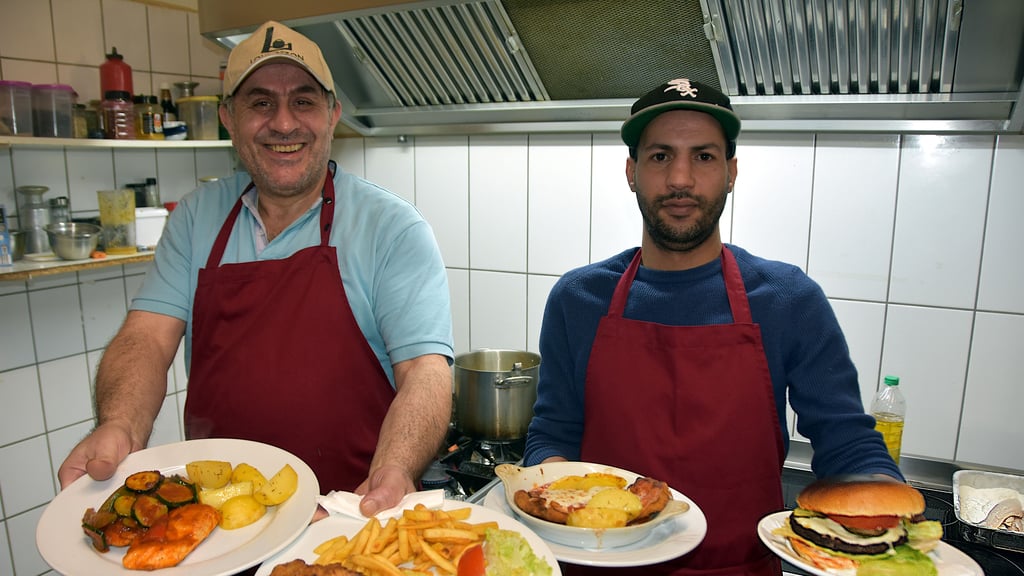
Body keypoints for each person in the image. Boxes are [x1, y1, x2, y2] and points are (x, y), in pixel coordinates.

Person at [58, 21, 454, 519]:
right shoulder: (198, 217)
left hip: (350, 514)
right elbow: (147, 339)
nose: (284, 124)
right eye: (261, 103)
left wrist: (393, 471)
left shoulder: (392, 227)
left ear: (333, 114)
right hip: (218, 525)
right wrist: (119, 425)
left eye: (304, 101)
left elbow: (425, 371)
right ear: (229, 116)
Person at [523, 78, 903, 575]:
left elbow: (845, 439)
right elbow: (553, 429)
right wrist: (555, 490)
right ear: (632, 172)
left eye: (703, 156)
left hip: (740, 567)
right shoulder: (578, 299)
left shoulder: (788, 300)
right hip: (600, 563)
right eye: (660, 156)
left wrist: (885, 510)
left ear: (731, 173)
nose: (680, 179)